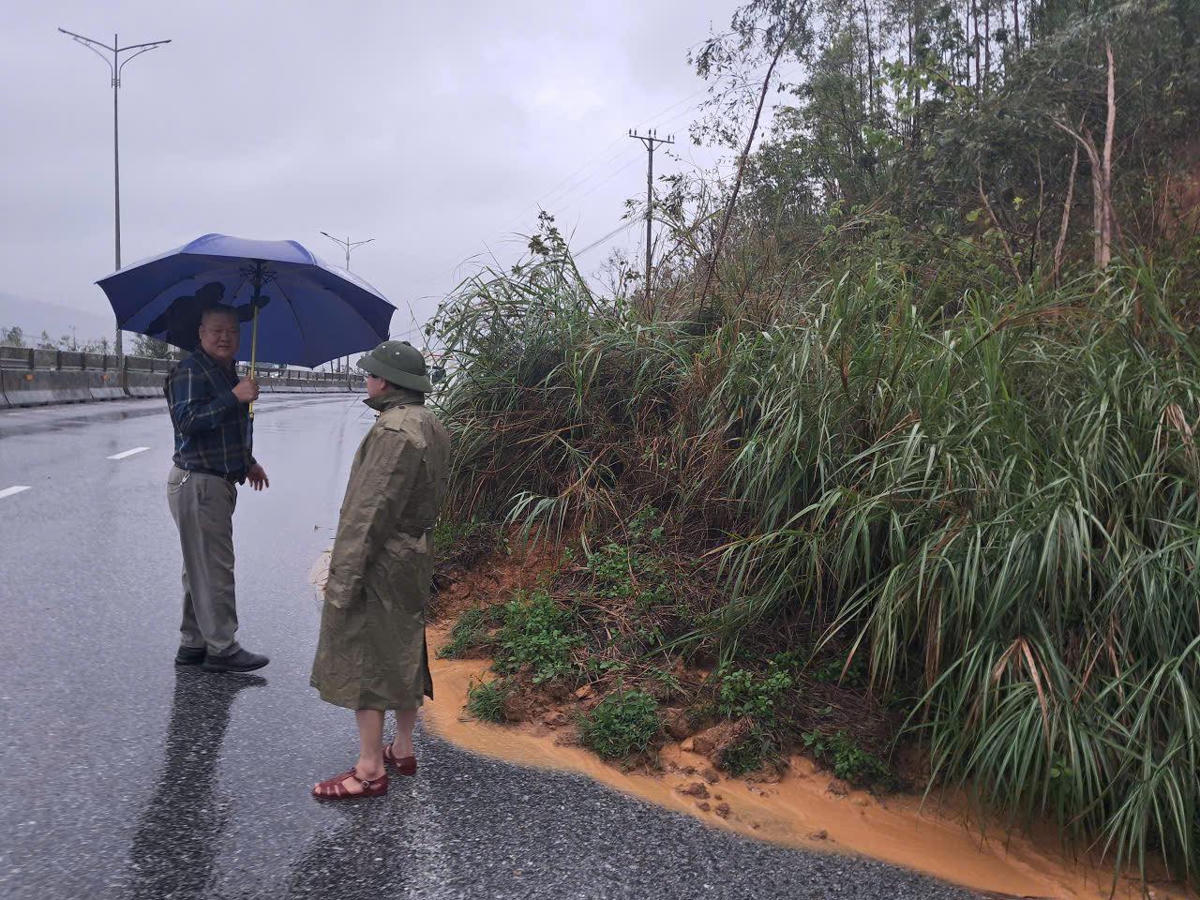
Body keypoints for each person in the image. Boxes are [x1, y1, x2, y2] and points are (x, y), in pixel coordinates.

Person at [310, 340, 450, 799]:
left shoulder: (392, 431)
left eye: (370, 373)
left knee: (366, 649)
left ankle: (369, 768)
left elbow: (367, 514)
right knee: (405, 641)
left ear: (386, 381)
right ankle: (403, 747)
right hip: (415, 552)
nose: (366, 378)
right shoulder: (431, 424)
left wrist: (344, 578)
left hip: (384, 557)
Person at [165, 305, 271, 673]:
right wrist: (234, 397)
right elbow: (187, 420)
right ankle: (223, 647)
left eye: (231, 331)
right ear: (200, 333)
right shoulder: (191, 370)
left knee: (200, 566)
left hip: (215, 480)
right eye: (216, 330)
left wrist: (247, 461)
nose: (225, 337)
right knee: (216, 568)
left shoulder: (226, 372)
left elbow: (226, 432)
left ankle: (193, 644)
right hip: (199, 482)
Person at [148, 281, 268, 352]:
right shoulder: (184, 303)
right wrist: (254, 306)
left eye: (217, 294)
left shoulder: (183, 302)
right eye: (213, 293)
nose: (215, 296)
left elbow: (238, 314)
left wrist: (254, 306)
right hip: (187, 351)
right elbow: (163, 320)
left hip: (188, 351)